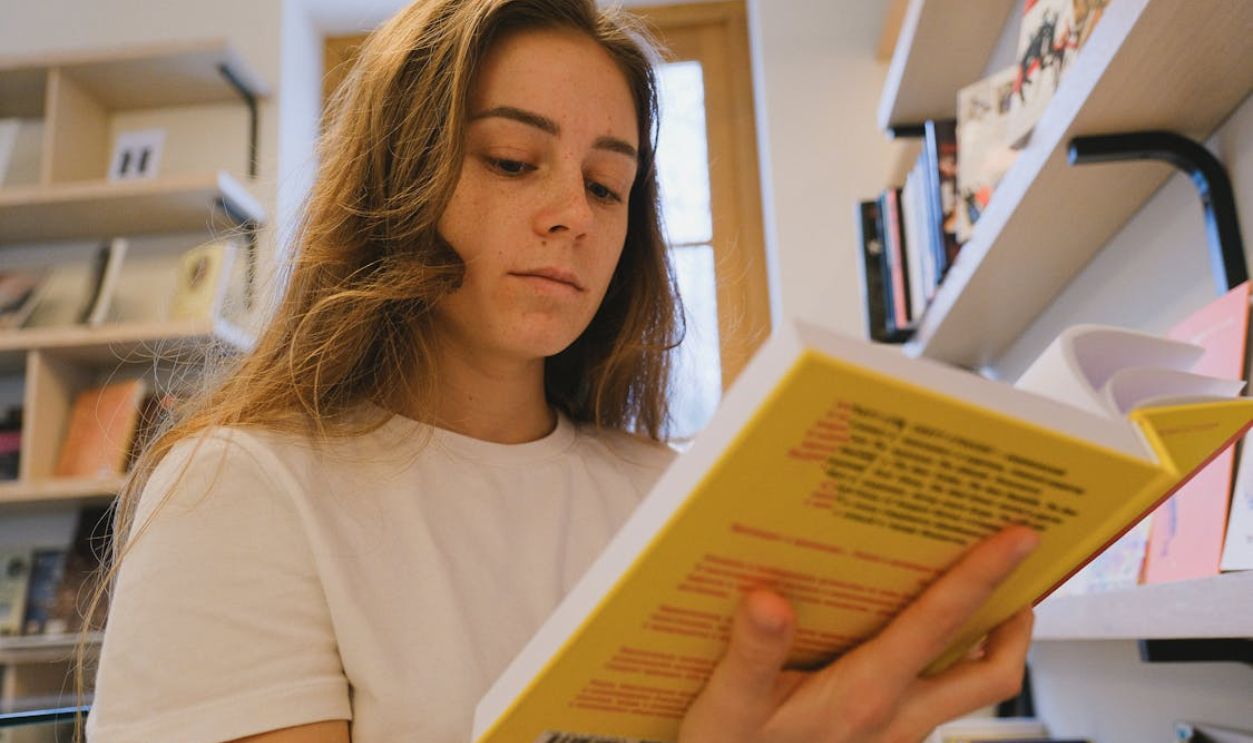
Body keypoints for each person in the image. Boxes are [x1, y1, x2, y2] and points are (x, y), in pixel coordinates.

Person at [77, 0, 1039, 741]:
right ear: (394, 181)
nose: (573, 213)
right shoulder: (244, 489)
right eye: (509, 160)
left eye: (606, 184)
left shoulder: (671, 495)